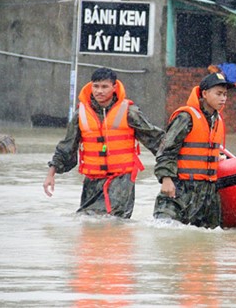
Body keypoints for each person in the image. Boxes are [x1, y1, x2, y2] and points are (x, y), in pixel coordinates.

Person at [43, 67, 164, 218]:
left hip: (121, 180)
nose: (99, 91)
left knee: (114, 221)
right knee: (87, 221)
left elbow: (156, 140)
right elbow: (66, 147)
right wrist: (51, 174)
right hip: (93, 181)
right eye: (96, 86)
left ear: (114, 87)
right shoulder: (80, 114)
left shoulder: (129, 112)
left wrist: (171, 171)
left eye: (104, 87)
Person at [152, 70, 234, 228]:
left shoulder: (217, 121)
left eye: (225, 94)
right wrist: (166, 179)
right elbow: (166, 150)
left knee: (204, 245)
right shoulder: (186, 117)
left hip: (207, 194)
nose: (223, 98)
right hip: (181, 189)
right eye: (219, 94)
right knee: (166, 234)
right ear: (205, 93)